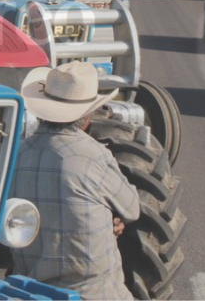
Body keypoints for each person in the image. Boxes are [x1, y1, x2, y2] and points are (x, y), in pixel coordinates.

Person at [12, 62, 139, 300]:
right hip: (95, 294)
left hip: (32, 290)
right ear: (86, 117)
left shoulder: (17, 154)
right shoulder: (94, 155)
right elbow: (132, 209)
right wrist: (112, 216)